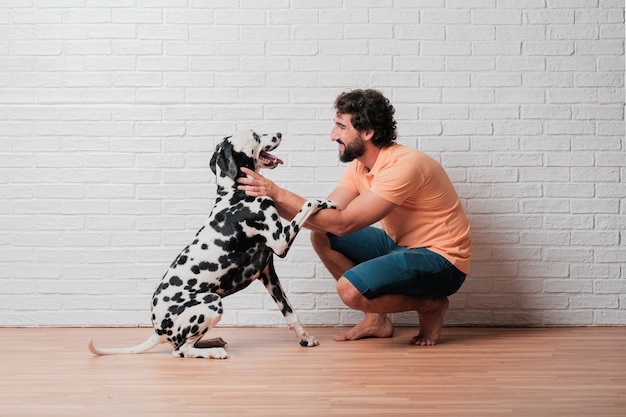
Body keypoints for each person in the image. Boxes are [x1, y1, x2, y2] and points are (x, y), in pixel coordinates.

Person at [238, 89, 471, 346]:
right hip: (401, 247)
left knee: (349, 290)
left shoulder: (403, 166)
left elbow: (344, 223)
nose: (332, 135)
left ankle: (431, 305)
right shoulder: (360, 166)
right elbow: (323, 217)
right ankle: (377, 320)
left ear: (367, 132)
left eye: (341, 127)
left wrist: (277, 192)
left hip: (442, 260)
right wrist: (269, 198)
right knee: (321, 235)